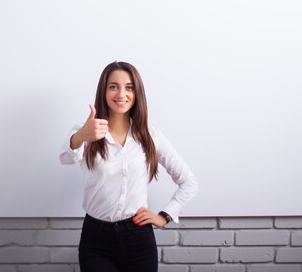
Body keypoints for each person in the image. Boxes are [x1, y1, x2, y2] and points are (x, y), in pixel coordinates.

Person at [59, 61, 198, 272]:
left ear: (137, 92)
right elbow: (65, 158)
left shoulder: (150, 135)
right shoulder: (87, 130)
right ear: (104, 91)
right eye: (113, 86)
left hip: (139, 239)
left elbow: (189, 181)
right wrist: (79, 137)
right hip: (96, 238)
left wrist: (165, 216)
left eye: (129, 87)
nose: (121, 93)